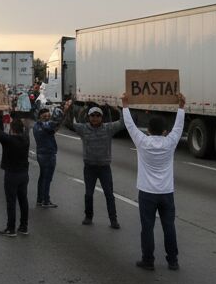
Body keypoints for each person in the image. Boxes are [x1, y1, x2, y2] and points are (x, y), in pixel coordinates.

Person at [122, 91, 186, 270]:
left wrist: (125, 105)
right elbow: (178, 127)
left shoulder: (143, 142)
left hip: (147, 192)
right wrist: (181, 107)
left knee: (147, 227)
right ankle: (173, 261)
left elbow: (130, 126)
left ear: (148, 130)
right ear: (165, 131)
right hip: (166, 192)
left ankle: (148, 260)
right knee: (169, 227)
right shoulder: (170, 142)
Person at [69, 102, 124, 228]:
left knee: (109, 194)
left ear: (101, 117)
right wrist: (76, 109)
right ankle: (88, 217)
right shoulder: (83, 128)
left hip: (104, 168)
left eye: (98, 115)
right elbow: (72, 123)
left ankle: (113, 220)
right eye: (92, 115)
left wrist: (119, 109)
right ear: (88, 117)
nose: (95, 118)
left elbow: (123, 123)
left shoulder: (108, 128)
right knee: (89, 194)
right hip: (89, 168)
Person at [0, 114, 31, 236]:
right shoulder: (26, 138)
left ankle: (11, 228)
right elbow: (26, 127)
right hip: (24, 173)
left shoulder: (8, 140)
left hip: (12, 174)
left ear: (11, 129)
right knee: (23, 200)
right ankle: (24, 226)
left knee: (11, 201)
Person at [31, 108, 63, 209]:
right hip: (48, 155)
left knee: (42, 178)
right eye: (45, 116)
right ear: (40, 116)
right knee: (47, 179)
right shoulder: (45, 126)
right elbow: (52, 127)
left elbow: (52, 128)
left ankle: (40, 199)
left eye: (48, 116)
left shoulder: (36, 126)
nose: (47, 118)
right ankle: (46, 200)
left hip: (41, 154)